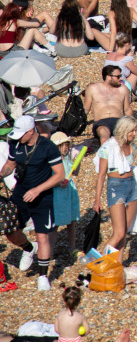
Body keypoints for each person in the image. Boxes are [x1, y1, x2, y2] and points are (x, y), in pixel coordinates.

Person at [3, 115, 65, 290]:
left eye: (21, 134)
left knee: (42, 235)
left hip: (42, 198)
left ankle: (43, 276)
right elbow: (10, 164)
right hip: (19, 195)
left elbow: (60, 175)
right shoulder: (15, 144)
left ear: (31, 132)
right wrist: (1, 175)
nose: (17, 138)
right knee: (11, 231)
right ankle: (29, 248)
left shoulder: (48, 147)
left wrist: (38, 189)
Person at [93, 116, 137, 256]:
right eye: (132, 131)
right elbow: (101, 175)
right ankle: (98, 263)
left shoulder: (132, 146)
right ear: (124, 130)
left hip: (132, 186)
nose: (134, 134)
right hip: (116, 187)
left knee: (124, 233)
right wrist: (97, 200)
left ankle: (118, 268)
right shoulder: (108, 147)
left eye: (135, 130)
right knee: (118, 233)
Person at [83, 65, 135, 144]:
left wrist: (133, 125)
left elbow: (127, 109)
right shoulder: (92, 89)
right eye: (118, 77)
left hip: (119, 121)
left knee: (121, 141)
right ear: (108, 77)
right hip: (101, 122)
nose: (121, 79)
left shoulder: (123, 89)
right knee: (104, 136)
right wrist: (77, 125)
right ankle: (106, 155)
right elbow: (86, 109)